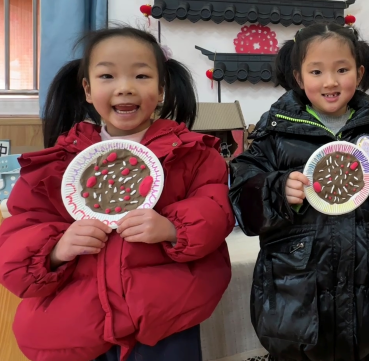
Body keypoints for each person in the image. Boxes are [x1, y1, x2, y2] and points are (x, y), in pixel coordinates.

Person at [0, 27, 234, 361]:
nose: (125, 87)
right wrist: (57, 249)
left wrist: (172, 228)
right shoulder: (57, 164)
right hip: (77, 325)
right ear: (87, 89)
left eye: (141, 75)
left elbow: (215, 208)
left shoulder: (192, 153)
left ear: (161, 88)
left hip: (164, 320)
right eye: (107, 76)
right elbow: (20, 232)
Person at [229, 22, 369, 361]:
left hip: (368, 303)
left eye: (342, 70)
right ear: (299, 78)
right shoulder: (275, 133)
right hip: (295, 301)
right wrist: (276, 190)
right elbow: (244, 200)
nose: (330, 82)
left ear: (359, 73)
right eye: (317, 71)